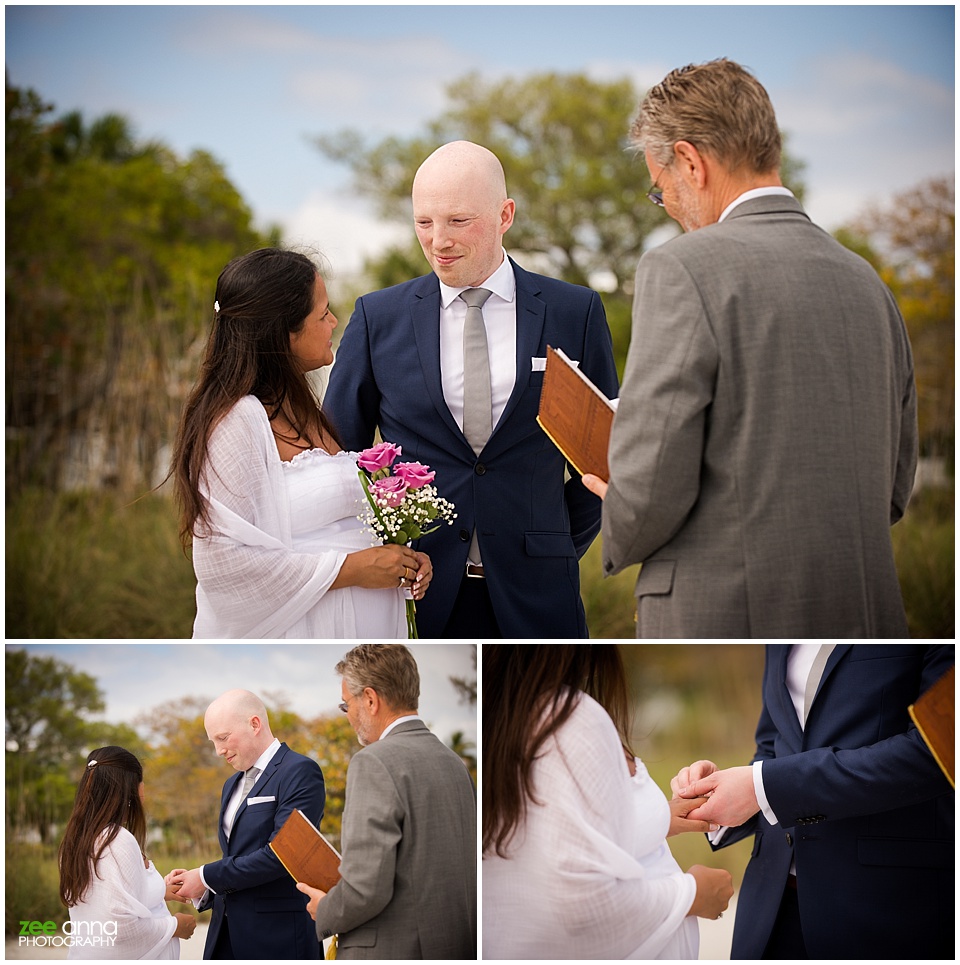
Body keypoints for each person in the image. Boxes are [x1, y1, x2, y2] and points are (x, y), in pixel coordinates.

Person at [582, 59, 918, 637]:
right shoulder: (869, 282)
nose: (672, 211)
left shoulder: (681, 268)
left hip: (724, 616)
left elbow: (652, 488)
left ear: (690, 162)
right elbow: (893, 486)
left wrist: (621, 500)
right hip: (864, 614)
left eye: (661, 193)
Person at [323, 141, 619, 638]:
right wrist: (385, 551)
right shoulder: (378, 318)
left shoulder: (576, 312)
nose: (438, 240)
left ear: (505, 215)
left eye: (458, 221)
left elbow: (606, 458)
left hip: (541, 597)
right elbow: (336, 460)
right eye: (424, 222)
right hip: (414, 596)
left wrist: (554, 544)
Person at [171, 247, 432, 638]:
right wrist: (353, 570)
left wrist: (403, 561)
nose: (334, 322)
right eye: (322, 313)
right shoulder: (238, 422)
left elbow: (333, 525)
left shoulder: (306, 411)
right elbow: (223, 566)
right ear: (285, 331)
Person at [673, 643, 955, 959]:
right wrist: (719, 791)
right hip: (770, 910)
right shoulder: (780, 624)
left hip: (888, 909)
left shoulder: (932, 613)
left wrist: (762, 786)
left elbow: (933, 753)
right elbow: (773, 745)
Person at [482, 645, 733, 960]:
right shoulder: (568, 720)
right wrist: (693, 893)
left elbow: (542, 840)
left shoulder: (499, 711)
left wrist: (657, 820)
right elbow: (581, 907)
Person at [296, 644, 476, 959]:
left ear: (370, 699)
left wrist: (325, 909)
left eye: (345, 705)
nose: (348, 715)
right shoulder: (454, 763)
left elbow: (366, 887)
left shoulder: (374, 762)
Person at [170, 690, 325, 959]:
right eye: (213, 742)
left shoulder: (299, 771)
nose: (218, 751)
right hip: (225, 935)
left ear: (255, 724)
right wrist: (203, 886)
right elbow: (236, 856)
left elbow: (282, 855)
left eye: (223, 738)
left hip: (279, 937)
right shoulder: (231, 784)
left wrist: (206, 876)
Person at [57, 746, 197, 960]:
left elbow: (107, 899)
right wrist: (176, 925)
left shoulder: (78, 838)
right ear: (132, 787)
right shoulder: (115, 840)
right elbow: (118, 929)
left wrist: (160, 890)